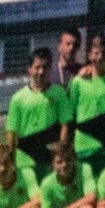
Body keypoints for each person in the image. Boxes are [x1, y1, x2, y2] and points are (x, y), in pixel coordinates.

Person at [5, 47, 71, 186]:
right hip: (25, 161)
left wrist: (60, 155)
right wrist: (11, 162)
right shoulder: (18, 98)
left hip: (49, 160)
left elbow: (65, 125)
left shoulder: (59, 93)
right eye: (37, 67)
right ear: (29, 69)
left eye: (45, 67)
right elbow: (11, 134)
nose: (41, 71)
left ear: (50, 68)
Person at [67, 33, 105, 173]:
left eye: (104, 53)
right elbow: (70, 115)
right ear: (90, 55)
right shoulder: (78, 81)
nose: (100, 57)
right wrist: (69, 144)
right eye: (96, 53)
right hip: (84, 145)